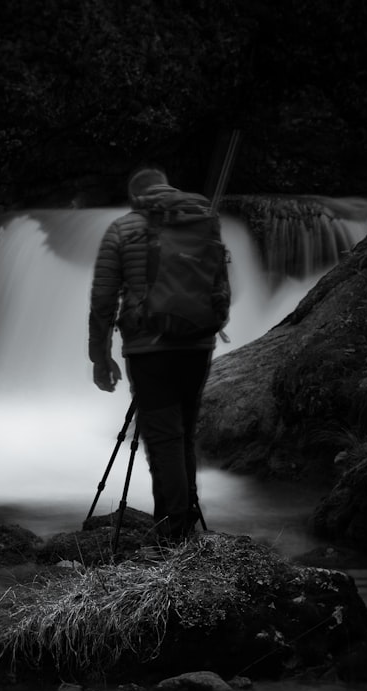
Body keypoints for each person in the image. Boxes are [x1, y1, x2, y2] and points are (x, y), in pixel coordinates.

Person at [87, 166, 231, 542]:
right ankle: (184, 525)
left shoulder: (123, 229)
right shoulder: (203, 221)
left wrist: (100, 357)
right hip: (197, 345)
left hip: (149, 349)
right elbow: (221, 286)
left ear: (135, 197)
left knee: (164, 438)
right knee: (182, 435)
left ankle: (173, 534)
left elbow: (103, 300)